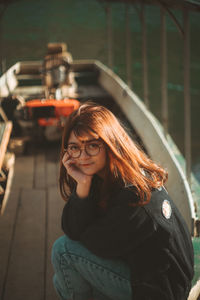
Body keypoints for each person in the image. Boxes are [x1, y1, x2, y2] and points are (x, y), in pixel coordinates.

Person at [51, 101, 194, 300]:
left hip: (159, 288)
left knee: (63, 252)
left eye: (92, 145)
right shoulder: (100, 176)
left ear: (110, 143)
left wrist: (86, 224)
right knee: (62, 279)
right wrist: (82, 184)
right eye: (74, 147)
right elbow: (73, 228)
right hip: (137, 267)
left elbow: (96, 243)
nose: (82, 156)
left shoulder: (135, 193)